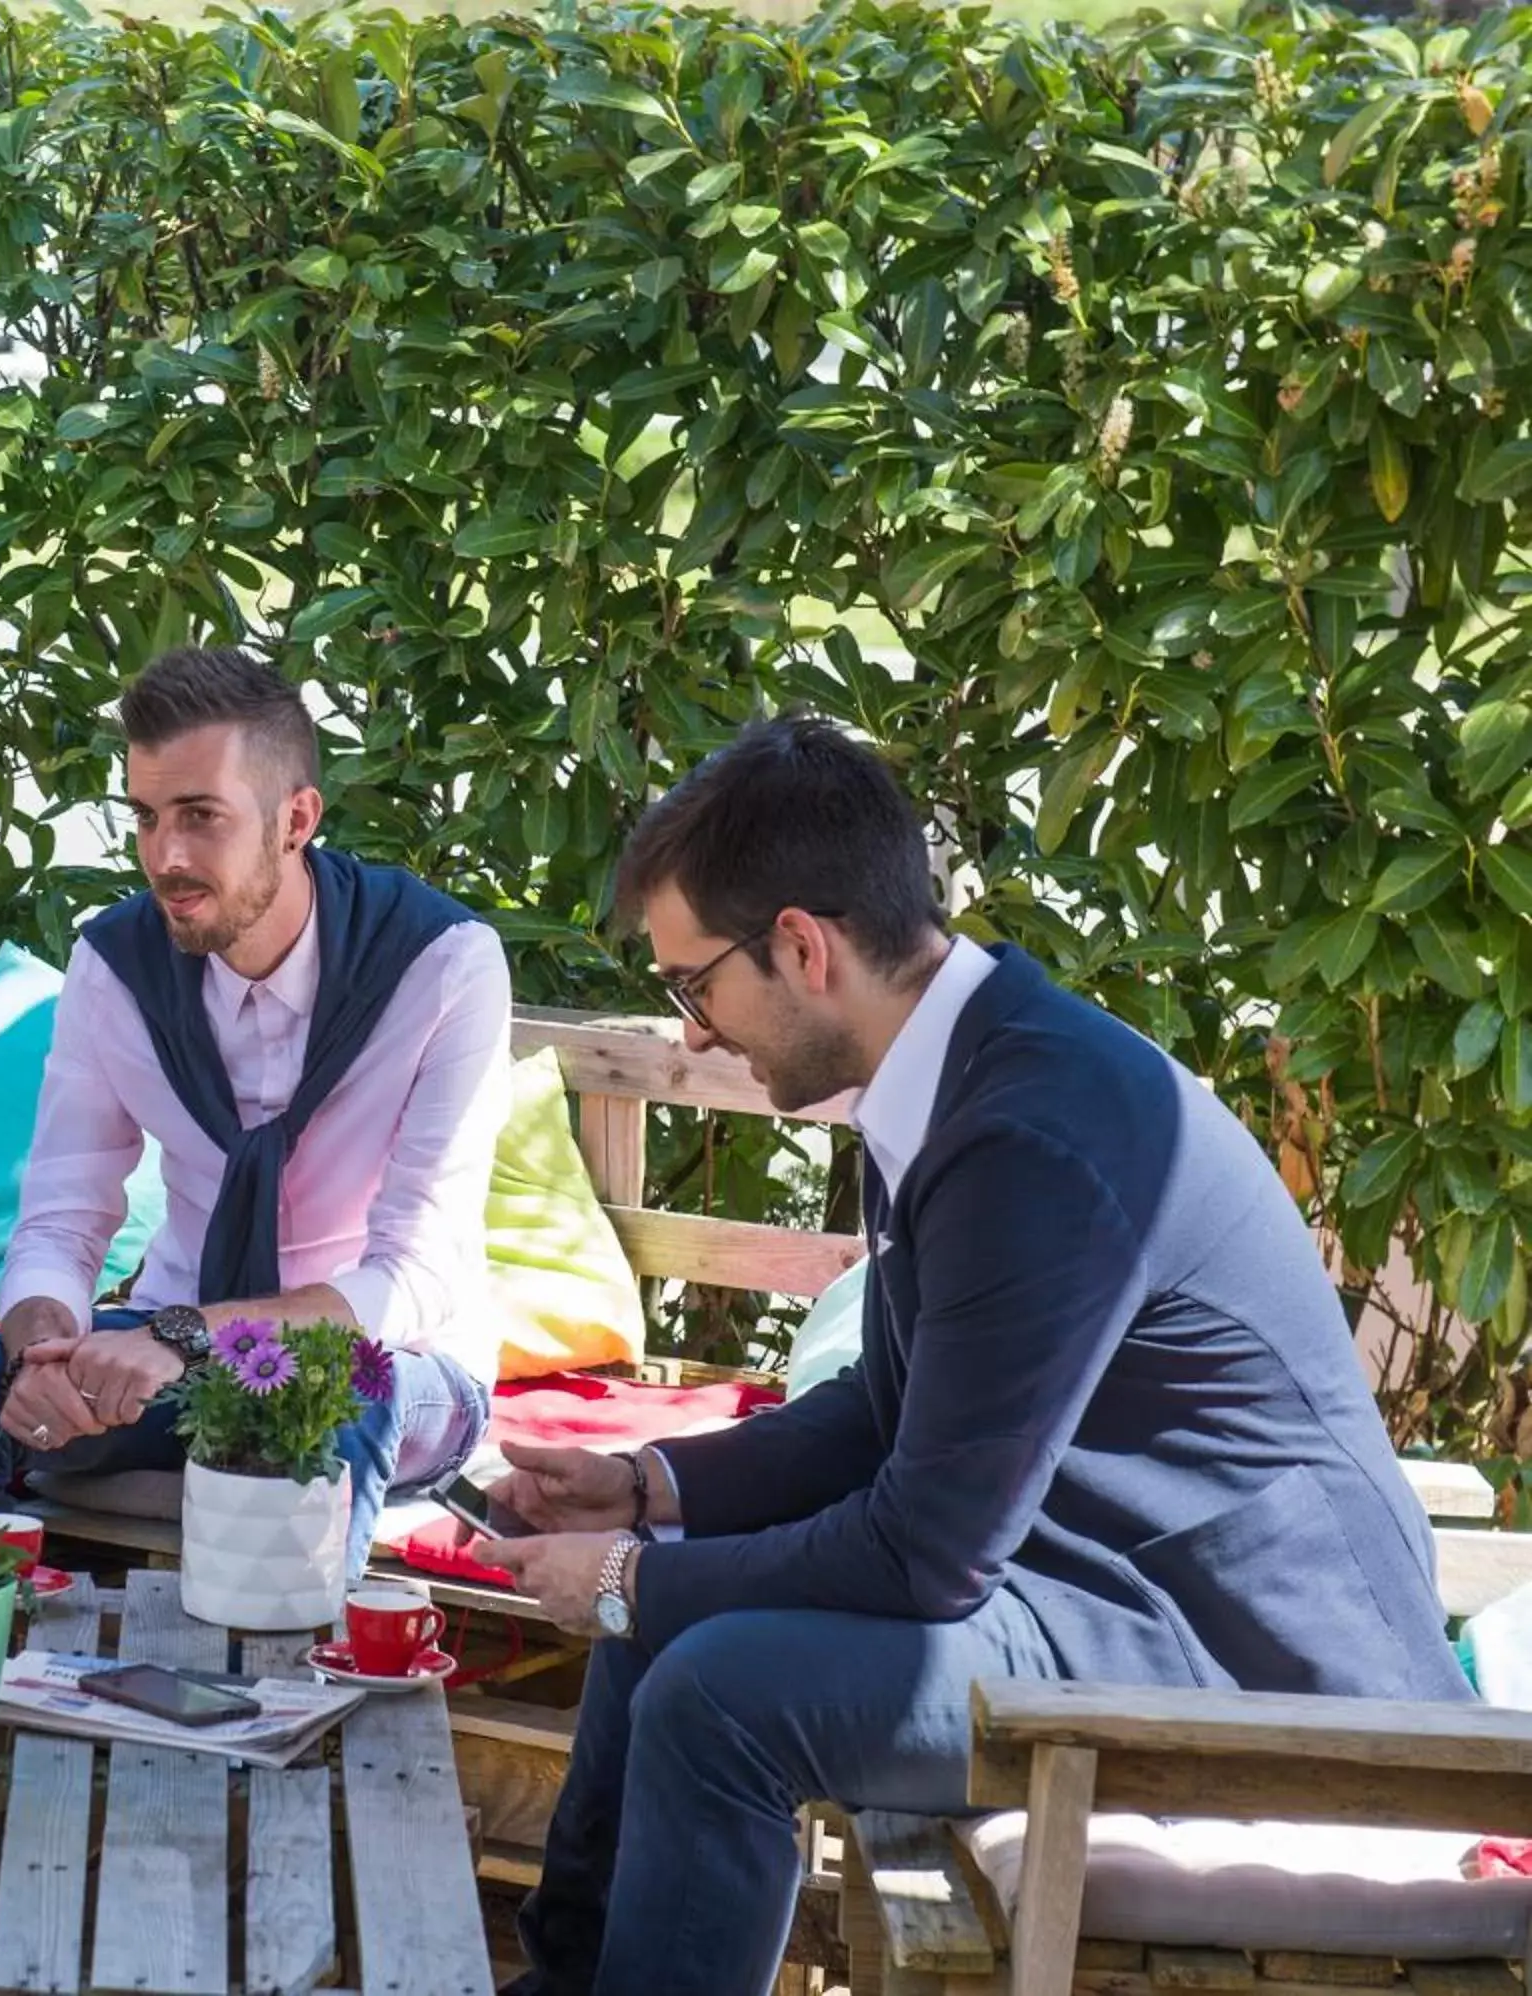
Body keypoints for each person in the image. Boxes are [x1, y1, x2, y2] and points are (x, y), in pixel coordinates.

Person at [472, 717, 1470, 1996]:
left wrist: (620, 1578)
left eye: (693, 986)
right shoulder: (962, 1070)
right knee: (659, 1610)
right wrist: (649, 1493)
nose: (695, 1035)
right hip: (1097, 1585)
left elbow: (923, 1551)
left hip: (1249, 1664)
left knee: (712, 1686)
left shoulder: (1031, 1131)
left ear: (800, 946)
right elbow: (891, 1409)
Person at [0, 646, 505, 1576]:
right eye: (145, 817)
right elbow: (62, 1216)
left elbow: (413, 1277)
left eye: (201, 817)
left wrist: (186, 1338)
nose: (165, 856)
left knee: (338, 1413)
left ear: (297, 819)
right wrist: (41, 1352)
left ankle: (282, 1696)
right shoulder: (118, 968)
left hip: (392, 1364)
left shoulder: (441, 966)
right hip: (168, 1342)